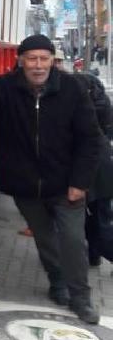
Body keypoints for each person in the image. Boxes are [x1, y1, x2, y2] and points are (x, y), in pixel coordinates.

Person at [0, 33, 102, 324]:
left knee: (73, 241)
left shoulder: (72, 89)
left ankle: (81, 298)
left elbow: (90, 140)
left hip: (65, 185)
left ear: (52, 62)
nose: (37, 65)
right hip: (26, 186)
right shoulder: (7, 87)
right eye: (32, 59)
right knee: (46, 240)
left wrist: (79, 183)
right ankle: (58, 284)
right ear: (21, 61)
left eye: (43, 59)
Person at [54, 47, 113, 268]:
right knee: (98, 218)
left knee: (97, 222)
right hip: (100, 168)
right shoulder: (87, 86)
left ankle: (97, 253)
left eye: (58, 61)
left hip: (93, 171)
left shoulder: (70, 95)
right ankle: (93, 256)